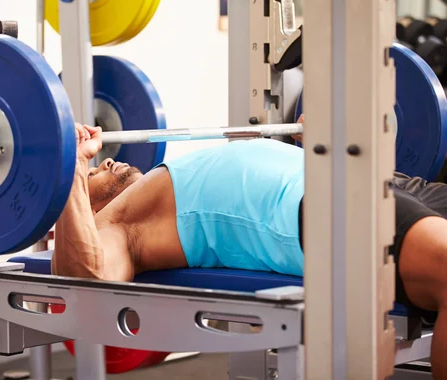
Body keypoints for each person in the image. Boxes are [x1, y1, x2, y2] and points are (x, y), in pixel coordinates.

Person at [53, 120, 447, 378]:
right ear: (79, 210)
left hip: (376, 180)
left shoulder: (148, 187)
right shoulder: (120, 228)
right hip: (319, 205)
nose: (103, 162)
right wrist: (69, 165)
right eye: (91, 172)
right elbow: (85, 277)